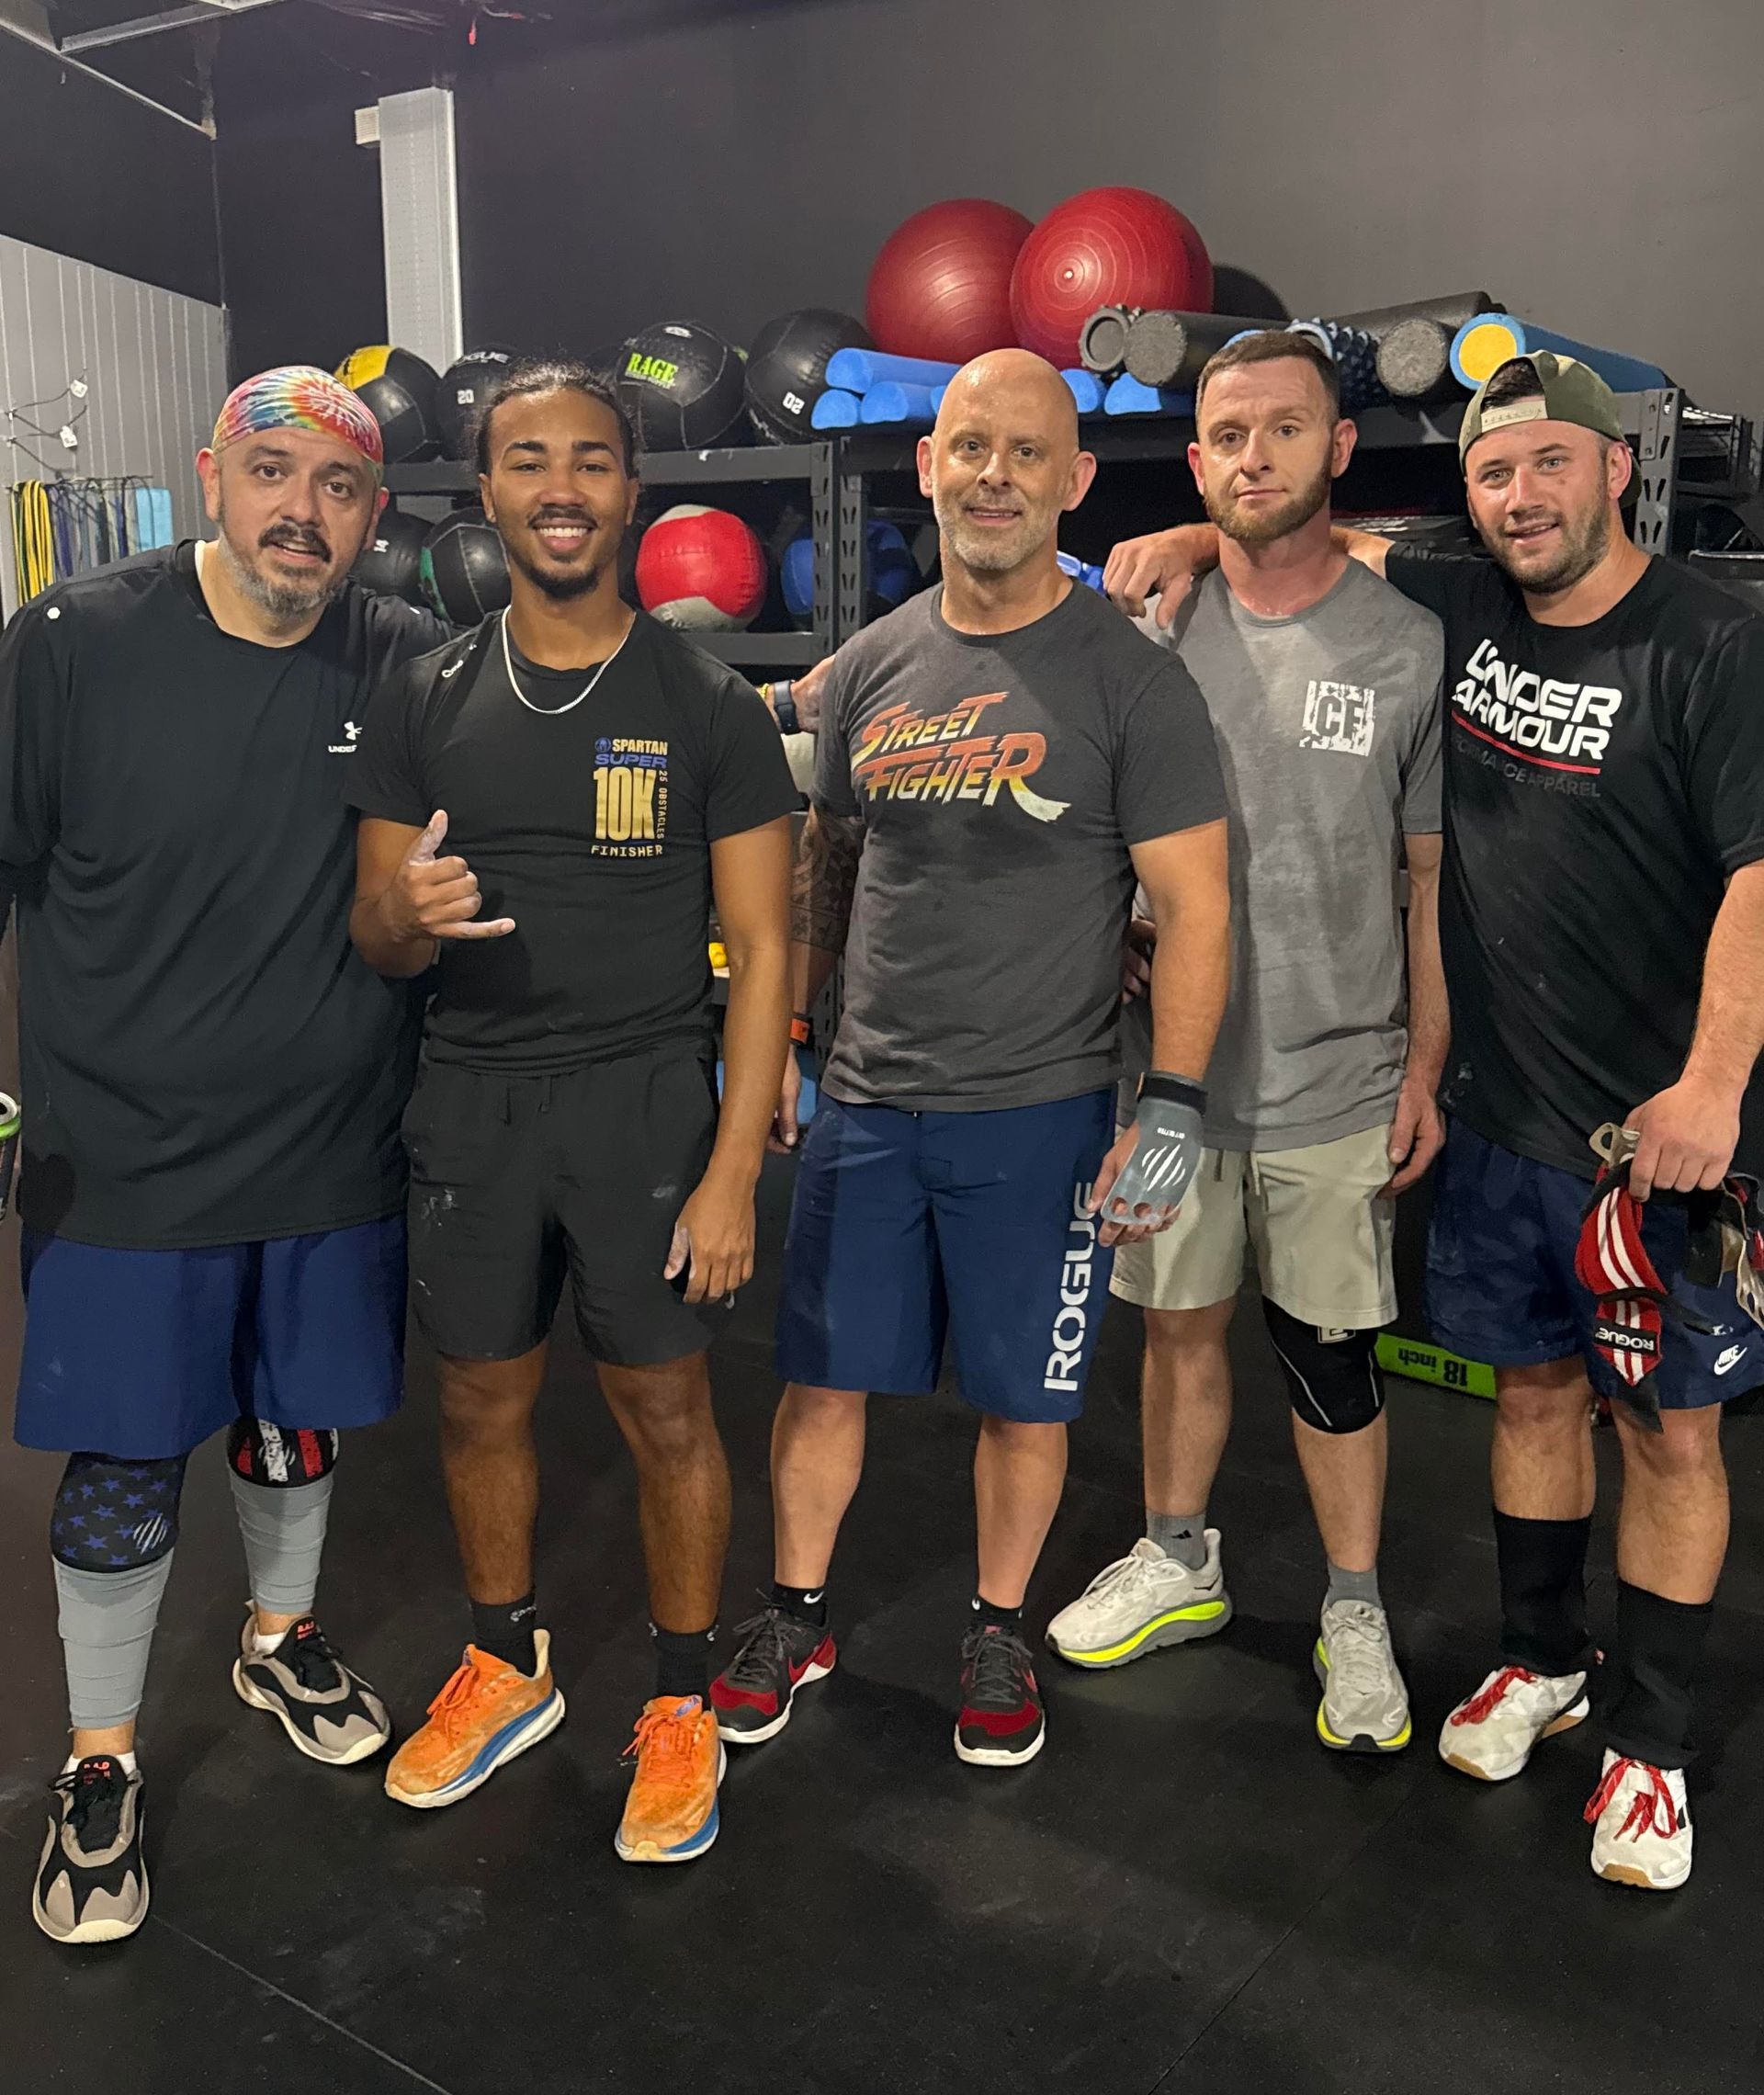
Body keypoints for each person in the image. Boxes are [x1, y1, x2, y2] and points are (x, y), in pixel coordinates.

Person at [1105, 349, 1764, 1890]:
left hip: (1659, 1125)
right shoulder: (1461, 603)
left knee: (1669, 1432)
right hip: (1504, 1111)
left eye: (1552, 465)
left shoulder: (1717, 644)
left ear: (1615, 471)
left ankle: (1653, 1750)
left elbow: (1759, 871)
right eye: (1493, 472)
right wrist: (1203, 534)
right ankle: (1547, 1660)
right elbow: (1320, 538)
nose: (1522, 496)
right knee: (1533, 1399)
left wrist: (1718, 1084)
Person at [707, 349, 1231, 1768]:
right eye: (969, 447)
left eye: (1026, 454)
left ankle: (1000, 1623)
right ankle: (798, 1614)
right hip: (871, 1100)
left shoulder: (1131, 681)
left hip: (1041, 1111)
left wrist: (1170, 1104)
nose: (992, 475)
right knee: (821, 1380)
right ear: (929, 466)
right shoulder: (872, 664)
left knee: (1022, 1398)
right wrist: (799, 1045)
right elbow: (830, 864)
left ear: (1072, 483)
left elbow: (1194, 907)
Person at [3, 367, 449, 1946]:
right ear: (210, 476)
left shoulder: (398, 659)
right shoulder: (73, 644)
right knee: (125, 1468)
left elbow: (580, 678)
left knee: (295, 1426)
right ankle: (101, 1762)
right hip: (125, 1161)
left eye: (337, 490)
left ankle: (279, 1635)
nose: (300, 513)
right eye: (272, 473)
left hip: (331, 1150)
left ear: (374, 516)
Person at [346, 362, 797, 1863]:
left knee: (664, 1407)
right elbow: (375, 932)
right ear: (485, 492)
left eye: (591, 462)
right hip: (471, 1099)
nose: (560, 488)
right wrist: (410, 913)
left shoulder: (703, 701)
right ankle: (508, 1660)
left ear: (631, 489)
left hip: (645, 1103)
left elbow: (768, 952)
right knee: (477, 1395)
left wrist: (734, 1167)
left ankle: (681, 1701)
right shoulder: (426, 691)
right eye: (527, 461)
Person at [1046, 331, 1447, 1757]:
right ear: (1197, 454)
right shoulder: (1151, 617)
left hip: (1340, 1066)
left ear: (1340, 449)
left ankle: (1352, 1606)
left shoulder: (1408, 641)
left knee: (1333, 1360)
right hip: (1174, 1073)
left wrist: (1422, 1064)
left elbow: (1425, 882)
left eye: (1285, 429)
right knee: (1178, 1328)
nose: (1253, 456)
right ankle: (1181, 1556)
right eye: (1227, 434)